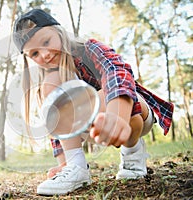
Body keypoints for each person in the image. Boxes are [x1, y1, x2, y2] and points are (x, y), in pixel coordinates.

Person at [12, 9, 174, 195]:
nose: (45, 55)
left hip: (131, 113)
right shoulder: (50, 78)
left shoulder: (89, 48)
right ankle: (77, 167)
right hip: (91, 127)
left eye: (46, 42)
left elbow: (116, 72)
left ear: (58, 31)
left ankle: (132, 153)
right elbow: (56, 123)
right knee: (51, 90)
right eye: (34, 54)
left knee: (112, 94)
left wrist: (116, 116)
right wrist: (65, 164)